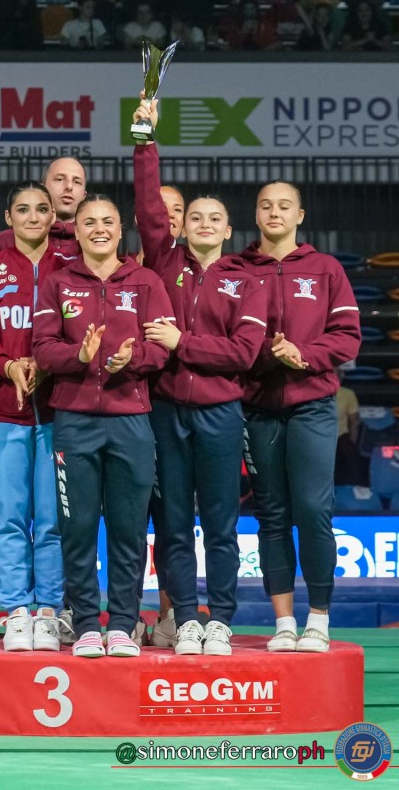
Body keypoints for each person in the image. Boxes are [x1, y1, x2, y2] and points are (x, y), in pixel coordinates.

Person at [132, 98, 266, 656]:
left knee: (220, 523)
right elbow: (147, 207)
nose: (204, 224)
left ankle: (222, 618)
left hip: (220, 413)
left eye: (214, 218)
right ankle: (185, 617)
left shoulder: (248, 280)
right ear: (182, 226)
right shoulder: (165, 262)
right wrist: (145, 141)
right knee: (173, 522)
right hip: (167, 411)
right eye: (195, 218)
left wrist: (182, 344)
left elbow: (243, 353)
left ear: (228, 230)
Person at [32, 196, 174, 657]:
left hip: (131, 420)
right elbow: (42, 348)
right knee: (76, 528)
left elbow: (162, 348)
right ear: (75, 230)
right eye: (89, 222)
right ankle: (87, 624)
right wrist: (78, 356)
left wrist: (133, 359)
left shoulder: (146, 281)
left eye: (107, 221)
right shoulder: (57, 283)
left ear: (120, 229)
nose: (99, 228)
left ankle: (124, 625)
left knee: (128, 530)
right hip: (74, 422)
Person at [227, 180, 361, 653]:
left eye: (285, 206)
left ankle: (318, 619)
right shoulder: (237, 270)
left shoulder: (325, 269)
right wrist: (268, 355)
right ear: (256, 214)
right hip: (257, 408)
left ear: (299, 216)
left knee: (313, 509)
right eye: (266, 205)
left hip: (313, 406)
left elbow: (347, 336)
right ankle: (284, 623)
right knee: (272, 515)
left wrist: (303, 355)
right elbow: (226, 336)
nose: (275, 212)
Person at [0, 182, 68, 650]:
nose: (32, 217)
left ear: (52, 217)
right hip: (0, 411)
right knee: (7, 518)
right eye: (22, 209)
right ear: (9, 218)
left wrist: (47, 366)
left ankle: (49, 612)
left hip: (58, 411)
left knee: (50, 521)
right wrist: (8, 366)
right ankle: (18, 611)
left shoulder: (69, 268)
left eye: (41, 209)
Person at [0, 157, 85, 257]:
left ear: (84, 195)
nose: (69, 186)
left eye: (77, 182)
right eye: (59, 179)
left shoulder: (91, 241)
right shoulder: (4, 241)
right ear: (43, 188)